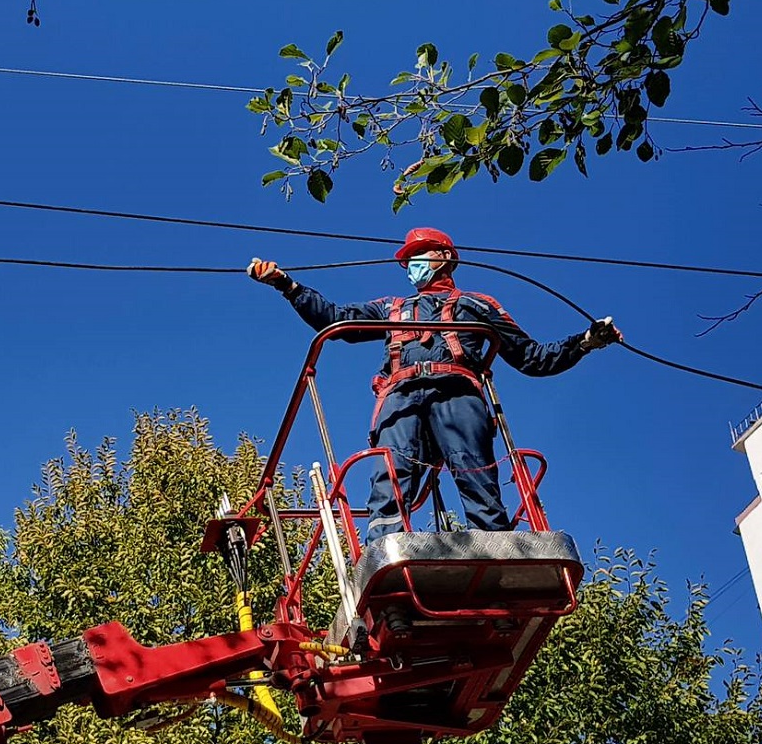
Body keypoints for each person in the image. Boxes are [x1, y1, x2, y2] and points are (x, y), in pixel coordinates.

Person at [248, 227, 621, 542]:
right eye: (408, 260)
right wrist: (286, 284)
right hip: (400, 398)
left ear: (443, 255)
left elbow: (531, 357)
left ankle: (496, 546)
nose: (410, 265)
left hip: (456, 393)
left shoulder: (478, 305)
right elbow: (334, 319)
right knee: (391, 474)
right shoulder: (391, 308)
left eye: (417, 255)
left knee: (473, 470)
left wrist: (586, 341)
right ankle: (384, 549)